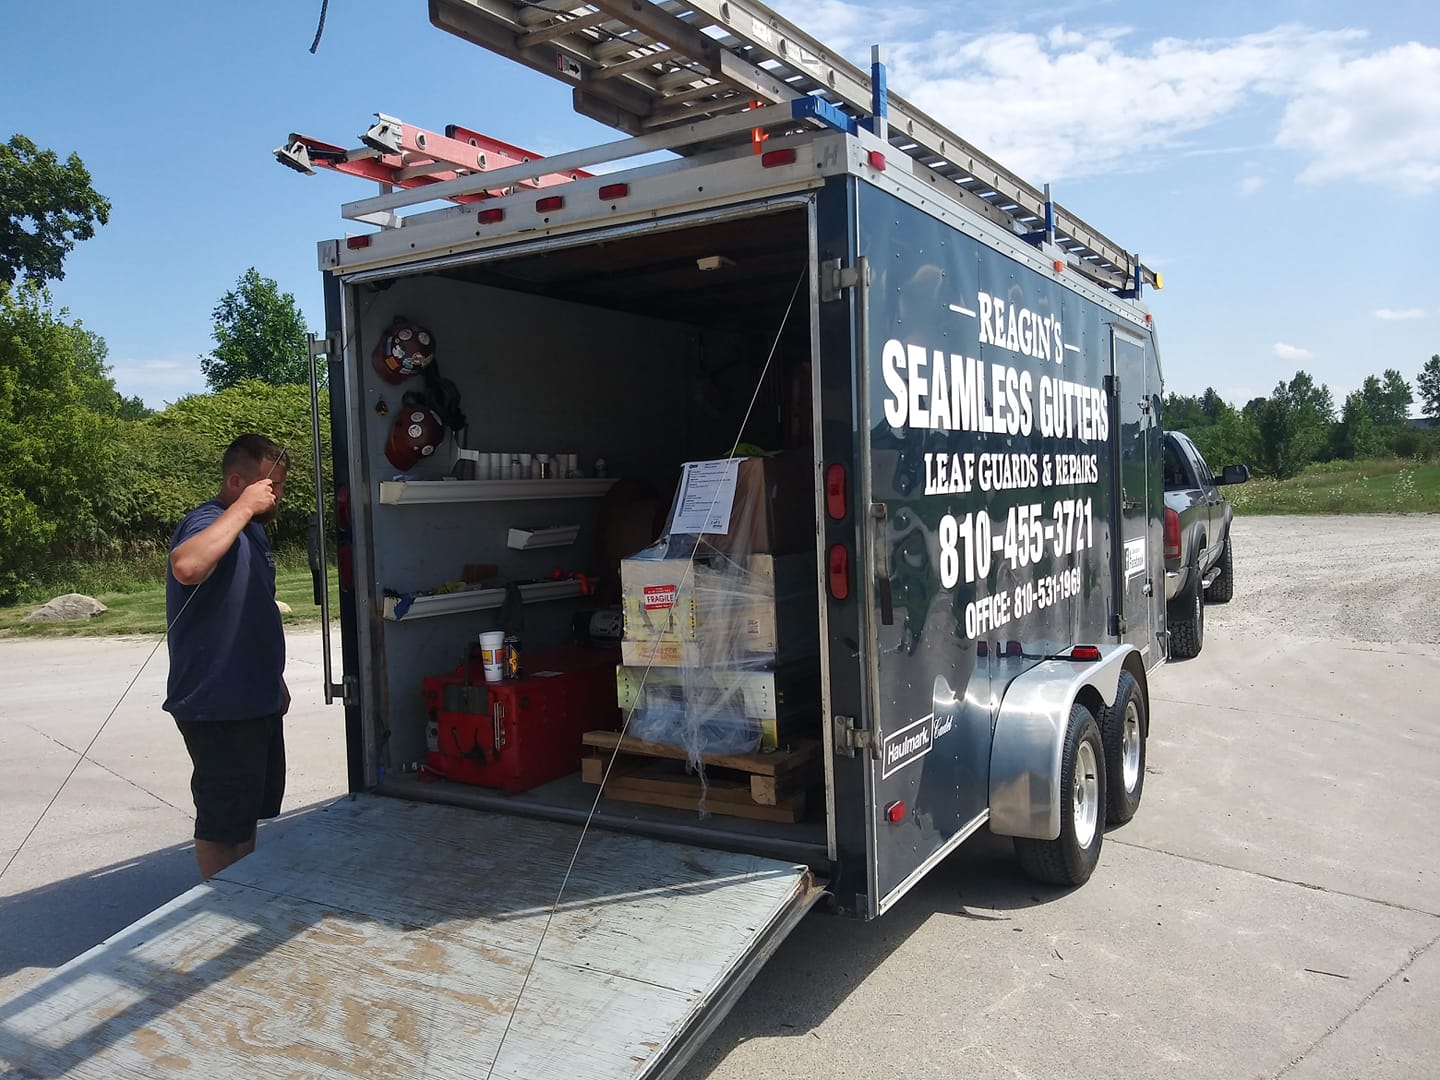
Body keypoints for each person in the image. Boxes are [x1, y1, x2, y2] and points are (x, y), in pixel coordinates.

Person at [164, 434, 291, 880]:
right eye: (269, 486)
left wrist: (273, 679)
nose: (277, 495)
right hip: (218, 703)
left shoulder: (251, 531)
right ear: (237, 482)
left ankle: (243, 891)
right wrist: (242, 509)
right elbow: (188, 566)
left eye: (280, 486)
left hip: (255, 697)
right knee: (222, 824)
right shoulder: (208, 519)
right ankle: (219, 905)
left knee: (244, 816)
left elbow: (253, 606)